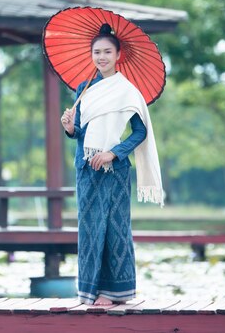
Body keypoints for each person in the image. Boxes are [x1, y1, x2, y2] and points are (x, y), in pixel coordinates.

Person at [61, 23, 164, 306]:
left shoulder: (128, 91)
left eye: (107, 51)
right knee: (90, 229)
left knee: (115, 228)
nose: (102, 56)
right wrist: (70, 127)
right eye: (97, 52)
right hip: (86, 170)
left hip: (114, 171)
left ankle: (114, 292)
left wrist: (113, 153)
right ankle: (90, 291)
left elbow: (140, 132)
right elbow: (79, 133)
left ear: (118, 55)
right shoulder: (84, 89)